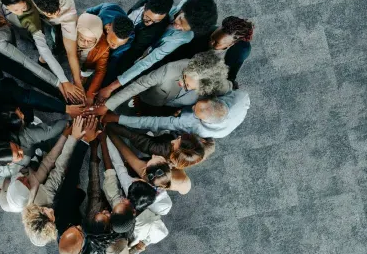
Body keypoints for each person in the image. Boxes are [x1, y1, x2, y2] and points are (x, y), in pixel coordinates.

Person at [0, 0, 84, 101]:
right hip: (3, 8)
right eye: (16, 10)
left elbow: (48, 50)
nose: (20, 12)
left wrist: (67, 81)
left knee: (36, 38)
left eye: (23, 8)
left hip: (26, 25)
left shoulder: (31, 19)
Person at [97, 0, 218, 100]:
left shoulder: (183, 37)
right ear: (183, 9)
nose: (177, 26)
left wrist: (111, 87)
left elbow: (148, 61)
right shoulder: (180, 5)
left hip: (144, 52)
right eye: (180, 20)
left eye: (183, 28)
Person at [92, 51, 231, 116]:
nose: (182, 84)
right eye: (183, 78)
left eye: (188, 86)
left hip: (172, 107)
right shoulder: (170, 69)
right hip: (151, 98)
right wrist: (108, 106)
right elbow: (139, 85)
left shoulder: (219, 85)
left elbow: (228, 89)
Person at [99, 133, 169, 254]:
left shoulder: (119, 200)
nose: (123, 200)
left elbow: (112, 170)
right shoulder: (159, 211)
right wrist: (140, 246)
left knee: (120, 171)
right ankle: (147, 142)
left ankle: (146, 142)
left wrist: (105, 140)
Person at [0, 124, 74, 213]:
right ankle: (37, 155)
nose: (26, 178)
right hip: (38, 172)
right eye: (28, 184)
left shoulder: (4, 201)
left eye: (21, 180)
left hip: (18, 170)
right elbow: (49, 161)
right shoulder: (35, 184)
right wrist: (64, 136)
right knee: (34, 158)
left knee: (21, 158)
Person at [19, 0, 85, 101]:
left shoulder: (68, 11)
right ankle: (42, 57)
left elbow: (71, 53)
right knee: (43, 42)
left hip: (65, 19)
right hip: (35, 15)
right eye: (50, 14)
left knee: (66, 43)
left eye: (57, 12)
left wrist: (77, 82)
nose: (55, 16)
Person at [102, 89, 251, 139]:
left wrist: (117, 118)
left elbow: (154, 122)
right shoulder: (241, 97)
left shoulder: (192, 124)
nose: (192, 108)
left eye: (195, 111)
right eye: (195, 106)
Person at [54, 116, 101, 254]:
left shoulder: (62, 216)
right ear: (82, 249)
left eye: (75, 228)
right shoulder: (84, 249)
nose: (80, 227)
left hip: (70, 201)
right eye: (80, 232)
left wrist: (85, 141)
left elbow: (72, 173)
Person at [103, 0, 175, 85]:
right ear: (145, 6)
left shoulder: (155, 30)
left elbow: (133, 51)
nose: (150, 23)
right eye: (148, 17)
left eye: (156, 21)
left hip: (127, 50)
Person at [0, 79, 84, 128]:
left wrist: (64, 108)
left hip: (9, 98)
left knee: (24, 112)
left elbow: (30, 97)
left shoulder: (2, 89)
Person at [165, 16, 255, 87]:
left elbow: (231, 72)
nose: (211, 42)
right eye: (212, 37)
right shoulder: (202, 33)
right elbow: (179, 54)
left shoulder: (241, 51)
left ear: (230, 45)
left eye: (217, 43)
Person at [84, 136, 131, 254]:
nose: (106, 212)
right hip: (115, 211)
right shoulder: (123, 233)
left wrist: (94, 152)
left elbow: (94, 188)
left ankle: (95, 151)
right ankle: (103, 143)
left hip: (95, 208)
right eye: (106, 215)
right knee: (111, 186)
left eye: (103, 214)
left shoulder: (92, 217)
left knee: (94, 189)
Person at [107, 130, 191, 194]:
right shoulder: (176, 165)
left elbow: (123, 149)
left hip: (178, 184)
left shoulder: (144, 174)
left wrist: (109, 132)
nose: (153, 155)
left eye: (153, 158)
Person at [106, 123, 215, 169]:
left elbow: (132, 135)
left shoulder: (157, 148)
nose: (174, 141)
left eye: (177, 141)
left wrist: (108, 123)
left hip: (147, 144)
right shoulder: (190, 156)